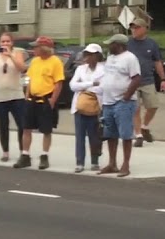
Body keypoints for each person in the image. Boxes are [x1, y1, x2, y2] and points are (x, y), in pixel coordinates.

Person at [16, 36, 64, 170]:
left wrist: (53, 100)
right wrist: (26, 95)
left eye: (36, 47)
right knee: (26, 128)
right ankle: (25, 156)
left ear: (44, 48)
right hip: (32, 99)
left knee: (46, 130)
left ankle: (44, 156)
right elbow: (30, 79)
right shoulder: (35, 61)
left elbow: (58, 83)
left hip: (46, 99)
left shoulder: (55, 62)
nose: (33, 49)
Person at [98, 34, 142, 177]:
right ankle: (112, 163)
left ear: (119, 45)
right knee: (110, 134)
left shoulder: (130, 58)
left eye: (111, 44)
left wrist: (127, 96)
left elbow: (136, 78)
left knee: (125, 134)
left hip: (123, 102)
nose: (108, 46)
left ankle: (126, 164)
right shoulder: (110, 58)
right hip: (108, 101)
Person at [126, 17, 165, 148]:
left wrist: (163, 79)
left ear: (144, 29)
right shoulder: (128, 44)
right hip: (132, 81)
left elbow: (157, 62)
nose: (134, 30)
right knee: (136, 109)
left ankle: (144, 127)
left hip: (148, 80)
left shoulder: (152, 44)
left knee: (153, 105)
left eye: (137, 27)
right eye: (132, 28)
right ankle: (138, 135)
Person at [0, 32, 26, 162]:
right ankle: (5, 152)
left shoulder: (18, 54)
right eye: (3, 42)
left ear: (12, 42)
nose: (5, 44)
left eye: (8, 41)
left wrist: (11, 56)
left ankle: (23, 151)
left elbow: (22, 68)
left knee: (21, 124)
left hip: (16, 94)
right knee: (3, 124)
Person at [68, 43, 105, 173]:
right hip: (79, 106)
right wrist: (90, 84)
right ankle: (80, 162)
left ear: (97, 56)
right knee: (80, 136)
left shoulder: (104, 69)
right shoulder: (80, 69)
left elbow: (102, 88)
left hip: (96, 106)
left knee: (94, 136)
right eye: (86, 54)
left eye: (90, 54)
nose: (87, 57)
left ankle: (95, 161)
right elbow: (72, 85)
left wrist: (83, 86)